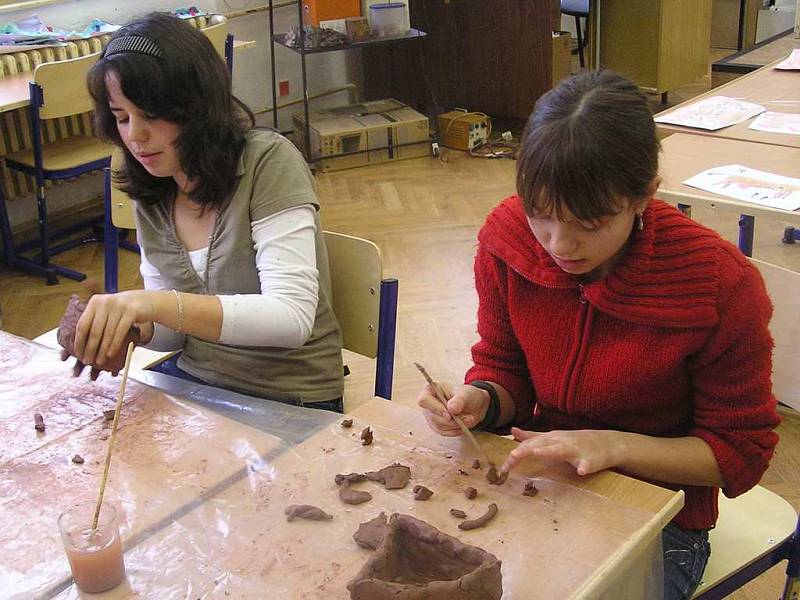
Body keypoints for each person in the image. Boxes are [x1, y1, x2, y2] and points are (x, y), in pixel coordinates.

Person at [417, 71, 781, 599]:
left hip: (661, 515)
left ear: (644, 197)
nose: (559, 245)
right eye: (541, 215)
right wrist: (483, 400)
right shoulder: (508, 240)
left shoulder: (719, 286)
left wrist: (613, 447)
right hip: (542, 481)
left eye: (589, 223)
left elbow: (739, 452)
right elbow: (504, 367)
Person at [64, 13, 344, 411]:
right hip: (196, 381)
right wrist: (134, 332)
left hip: (290, 394)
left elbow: (291, 318)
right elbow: (173, 336)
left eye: (151, 115)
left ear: (196, 107)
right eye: (121, 117)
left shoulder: (268, 161)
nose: (135, 136)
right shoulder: (149, 179)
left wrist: (152, 305)